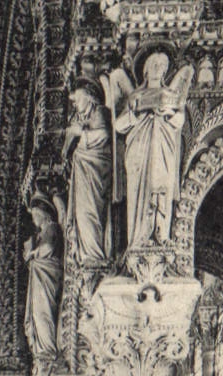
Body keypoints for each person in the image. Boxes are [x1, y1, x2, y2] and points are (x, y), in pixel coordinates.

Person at [114, 52, 192, 250]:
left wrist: (169, 113)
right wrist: (135, 115)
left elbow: (179, 120)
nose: (159, 68)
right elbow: (118, 125)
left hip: (163, 149)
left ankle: (160, 233)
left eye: (162, 65)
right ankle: (139, 237)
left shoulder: (170, 95)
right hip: (140, 152)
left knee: (161, 186)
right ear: (146, 69)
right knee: (140, 191)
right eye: (154, 64)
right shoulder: (135, 96)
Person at [63, 79, 112, 265]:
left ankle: (94, 256)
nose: (75, 104)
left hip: (95, 171)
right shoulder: (85, 118)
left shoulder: (99, 112)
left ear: (90, 97)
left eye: (78, 99)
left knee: (89, 214)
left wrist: (80, 134)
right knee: (82, 215)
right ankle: (89, 256)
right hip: (85, 173)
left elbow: (105, 135)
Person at [23, 196, 63, 366]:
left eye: (35, 215)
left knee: (43, 313)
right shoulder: (42, 233)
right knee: (39, 315)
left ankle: (47, 349)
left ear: (43, 214)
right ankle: (44, 349)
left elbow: (49, 248)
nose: (34, 219)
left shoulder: (51, 228)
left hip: (47, 277)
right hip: (41, 278)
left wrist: (33, 254)